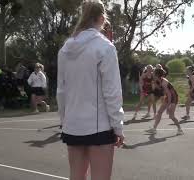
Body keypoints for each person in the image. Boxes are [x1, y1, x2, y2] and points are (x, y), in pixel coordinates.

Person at [57, 1, 124, 179]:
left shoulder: (65, 49)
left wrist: (64, 121)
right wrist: (118, 127)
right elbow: (112, 92)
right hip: (99, 128)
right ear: (102, 19)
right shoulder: (105, 48)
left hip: (72, 127)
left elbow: (61, 91)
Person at [146, 68, 183, 135]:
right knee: (159, 112)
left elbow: (169, 94)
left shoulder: (164, 81)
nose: (152, 73)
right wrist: (155, 85)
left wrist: (168, 106)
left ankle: (180, 129)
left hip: (173, 97)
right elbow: (161, 90)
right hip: (168, 96)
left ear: (156, 74)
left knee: (171, 116)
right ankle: (154, 129)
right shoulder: (158, 80)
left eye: (153, 72)